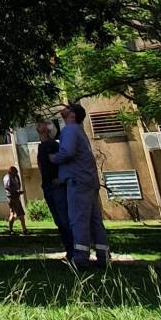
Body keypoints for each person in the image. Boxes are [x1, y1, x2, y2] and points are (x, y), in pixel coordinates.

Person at [49, 103, 109, 268]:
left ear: (72, 115)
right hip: (89, 181)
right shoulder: (80, 132)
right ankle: (103, 256)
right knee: (95, 221)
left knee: (78, 220)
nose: (63, 108)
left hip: (78, 182)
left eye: (67, 107)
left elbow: (67, 153)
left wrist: (54, 158)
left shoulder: (70, 130)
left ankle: (81, 258)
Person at [36, 121, 73, 260]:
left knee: (64, 220)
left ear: (47, 130)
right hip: (47, 186)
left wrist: (60, 179)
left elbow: (63, 163)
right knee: (59, 221)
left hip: (56, 187)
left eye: (44, 124)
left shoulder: (53, 145)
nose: (40, 125)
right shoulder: (42, 146)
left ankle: (74, 251)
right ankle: (70, 250)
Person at [3, 166, 29, 235]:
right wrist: (17, 192)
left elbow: (16, 185)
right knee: (14, 214)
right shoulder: (8, 177)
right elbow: (8, 187)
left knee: (21, 214)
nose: (16, 174)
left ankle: (24, 229)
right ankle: (10, 229)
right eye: (15, 172)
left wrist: (17, 177)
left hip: (15, 197)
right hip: (12, 198)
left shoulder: (12, 177)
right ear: (11, 171)